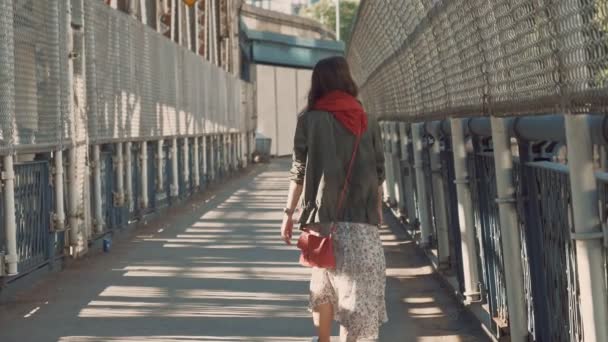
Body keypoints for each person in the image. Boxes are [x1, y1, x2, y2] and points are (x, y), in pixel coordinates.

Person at [280, 56, 388, 342]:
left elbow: (298, 171)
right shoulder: (367, 118)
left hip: (321, 221)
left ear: (318, 83)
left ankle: (323, 340)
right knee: (359, 293)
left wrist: (288, 214)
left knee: (323, 284)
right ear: (347, 80)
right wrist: (377, 210)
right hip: (361, 221)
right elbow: (378, 171)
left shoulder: (308, 120)